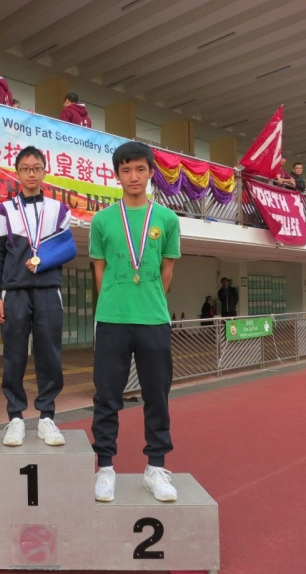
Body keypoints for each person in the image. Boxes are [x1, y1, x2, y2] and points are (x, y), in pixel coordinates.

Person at [90, 141, 181, 503]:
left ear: (150, 173)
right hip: (111, 319)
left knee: (157, 395)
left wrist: (147, 300)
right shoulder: (102, 220)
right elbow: (100, 270)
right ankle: (105, 467)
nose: (133, 176)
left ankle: (155, 467)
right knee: (106, 396)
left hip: (153, 319)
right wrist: (117, 301)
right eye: (126, 170)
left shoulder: (167, 219)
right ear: (117, 174)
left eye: (140, 169)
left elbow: (167, 270)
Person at [0, 146, 71, 447]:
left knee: (50, 353)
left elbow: (65, 248)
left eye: (36, 168)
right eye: (25, 168)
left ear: (44, 171)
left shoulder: (59, 209)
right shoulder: (4, 211)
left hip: (48, 290)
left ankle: (47, 416)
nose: (31, 173)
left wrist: (43, 260)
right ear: (17, 173)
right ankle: (15, 417)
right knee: (14, 354)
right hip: (15, 292)